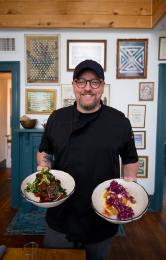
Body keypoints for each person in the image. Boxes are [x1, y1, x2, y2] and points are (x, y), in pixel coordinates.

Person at [37, 59, 138, 260]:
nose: (87, 88)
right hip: (61, 213)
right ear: (74, 85)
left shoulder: (119, 121)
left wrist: (129, 190)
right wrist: (43, 172)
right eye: (81, 81)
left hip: (101, 215)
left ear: (102, 86)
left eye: (95, 82)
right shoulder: (57, 118)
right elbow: (44, 151)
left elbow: (130, 159)